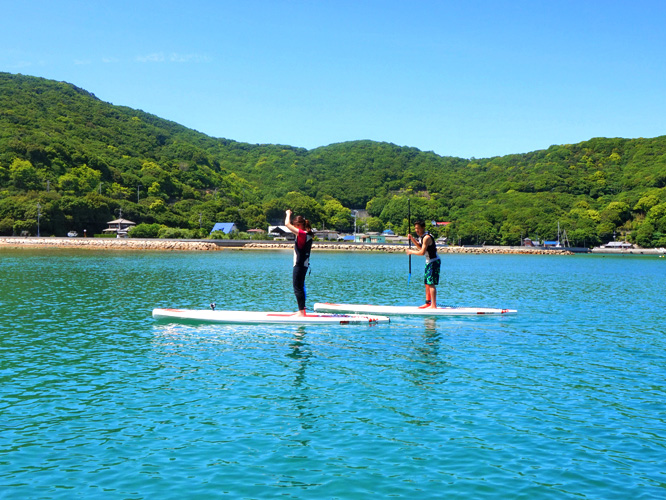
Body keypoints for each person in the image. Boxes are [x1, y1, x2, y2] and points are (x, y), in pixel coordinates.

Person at [285, 209, 314, 316]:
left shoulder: (302, 234)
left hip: (300, 265)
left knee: (297, 287)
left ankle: (302, 312)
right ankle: (302, 310)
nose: (294, 228)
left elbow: (286, 224)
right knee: (300, 287)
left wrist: (288, 214)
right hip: (304, 265)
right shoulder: (307, 234)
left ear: (299, 225)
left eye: (295, 226)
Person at [406, 220, 440, 308]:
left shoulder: (426, 238)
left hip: (434, 261)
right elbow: (420, 246)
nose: (416, 230)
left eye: (418, 228)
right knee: (426, 283)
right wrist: (412, 239)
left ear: (423, 228)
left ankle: (433, 305)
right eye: (415, 228)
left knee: (431, 283)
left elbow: (422, 252)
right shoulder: (422, 237)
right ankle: (428, 302)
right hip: (429, 262)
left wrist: (411, 252)